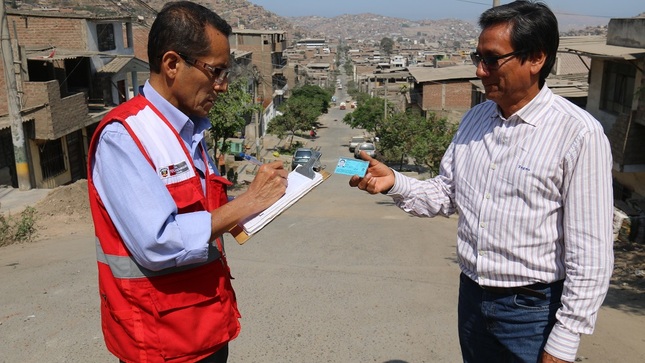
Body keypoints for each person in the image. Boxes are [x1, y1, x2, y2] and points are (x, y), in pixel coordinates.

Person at [349, 1, 613, 363]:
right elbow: (446, 193)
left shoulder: (578, 134)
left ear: (536, 59)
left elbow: (591, 252)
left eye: (492, 59)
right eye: (478, 57)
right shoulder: (475, 119)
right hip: (473, 298)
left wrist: (564, 340)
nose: (480, 70)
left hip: (532, 312)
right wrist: (394, 182)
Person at [86, 2, 288, 362]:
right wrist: (248, 202)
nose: (222, 87)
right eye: (215, 72)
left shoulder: (188, 131)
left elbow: (204, 214)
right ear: (172, 64)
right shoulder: (126, 136)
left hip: (203, 327)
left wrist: (259, 202)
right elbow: (157, 242)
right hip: (160, 342)